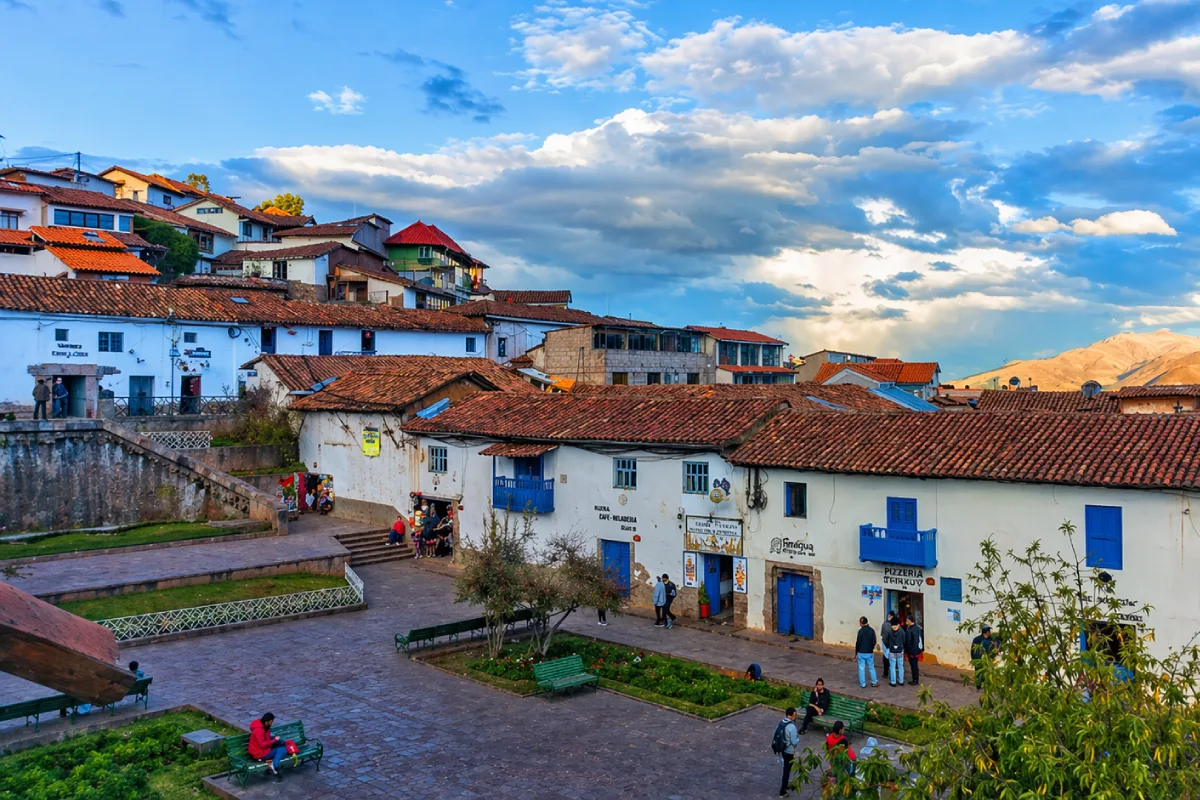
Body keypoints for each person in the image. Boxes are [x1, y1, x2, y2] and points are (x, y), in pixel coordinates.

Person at [248, 712, 287, 781]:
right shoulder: (259, 730)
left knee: (281, 746)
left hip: (262, 751)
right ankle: (276, 766)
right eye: (271, 722)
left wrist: (274, 740)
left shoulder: (263, 727)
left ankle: (273, 765)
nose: (271, 724)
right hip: (259, 754)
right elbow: (262, 745)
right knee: (282, 749)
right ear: (266, 722)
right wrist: (274, 740)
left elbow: (266, 739)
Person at [774, 706, 801, 797]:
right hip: (789, 751)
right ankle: (783, 791)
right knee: (787, 770)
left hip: (783, 749)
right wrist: (798, 739)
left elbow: (776, 733)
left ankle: (786, 785)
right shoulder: (792, 726)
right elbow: (794, 742)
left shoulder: (781, 723)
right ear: (793, 715)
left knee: (787, 768)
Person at [855, 616, 879, 689]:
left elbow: (858, 642)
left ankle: (863, 683)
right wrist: (871, 647)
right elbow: (874, 641)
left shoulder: (860, 631)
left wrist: (856, 652)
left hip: (861, 652)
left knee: (861, 668)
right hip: (869, 652)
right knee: (871, 667)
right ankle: (874, 682)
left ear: (861, 623)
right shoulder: (871, 630)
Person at [883, 617, 907, 687]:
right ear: (898, 624)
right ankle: (901, 681)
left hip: (892, 651)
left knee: (892, 666)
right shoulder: (902, 631)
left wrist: (889, 646)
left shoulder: (889, 631)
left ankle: (893, 682)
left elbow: (885, 640)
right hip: (900, 651)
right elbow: (904, 640)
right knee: (900, 666)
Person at [904, 616, 924, 686]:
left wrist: (909, 650)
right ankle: (915, 679)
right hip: (916, 650)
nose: (906, 621)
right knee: (914, 665)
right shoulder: (917, 628)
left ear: (910, 621)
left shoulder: (911, 630)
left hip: (912, 651)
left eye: (907, 620)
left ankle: (915, 680)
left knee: (913, 665)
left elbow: (911, 641)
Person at [880, 612, 897, 683]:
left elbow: (883, 635)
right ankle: (894, 676)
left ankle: (886, 673)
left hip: (886, 644)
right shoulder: (896, 624)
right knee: (893, 660)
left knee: (886, 658)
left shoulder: (885, 624)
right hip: (893, 645)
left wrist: (886, 644)